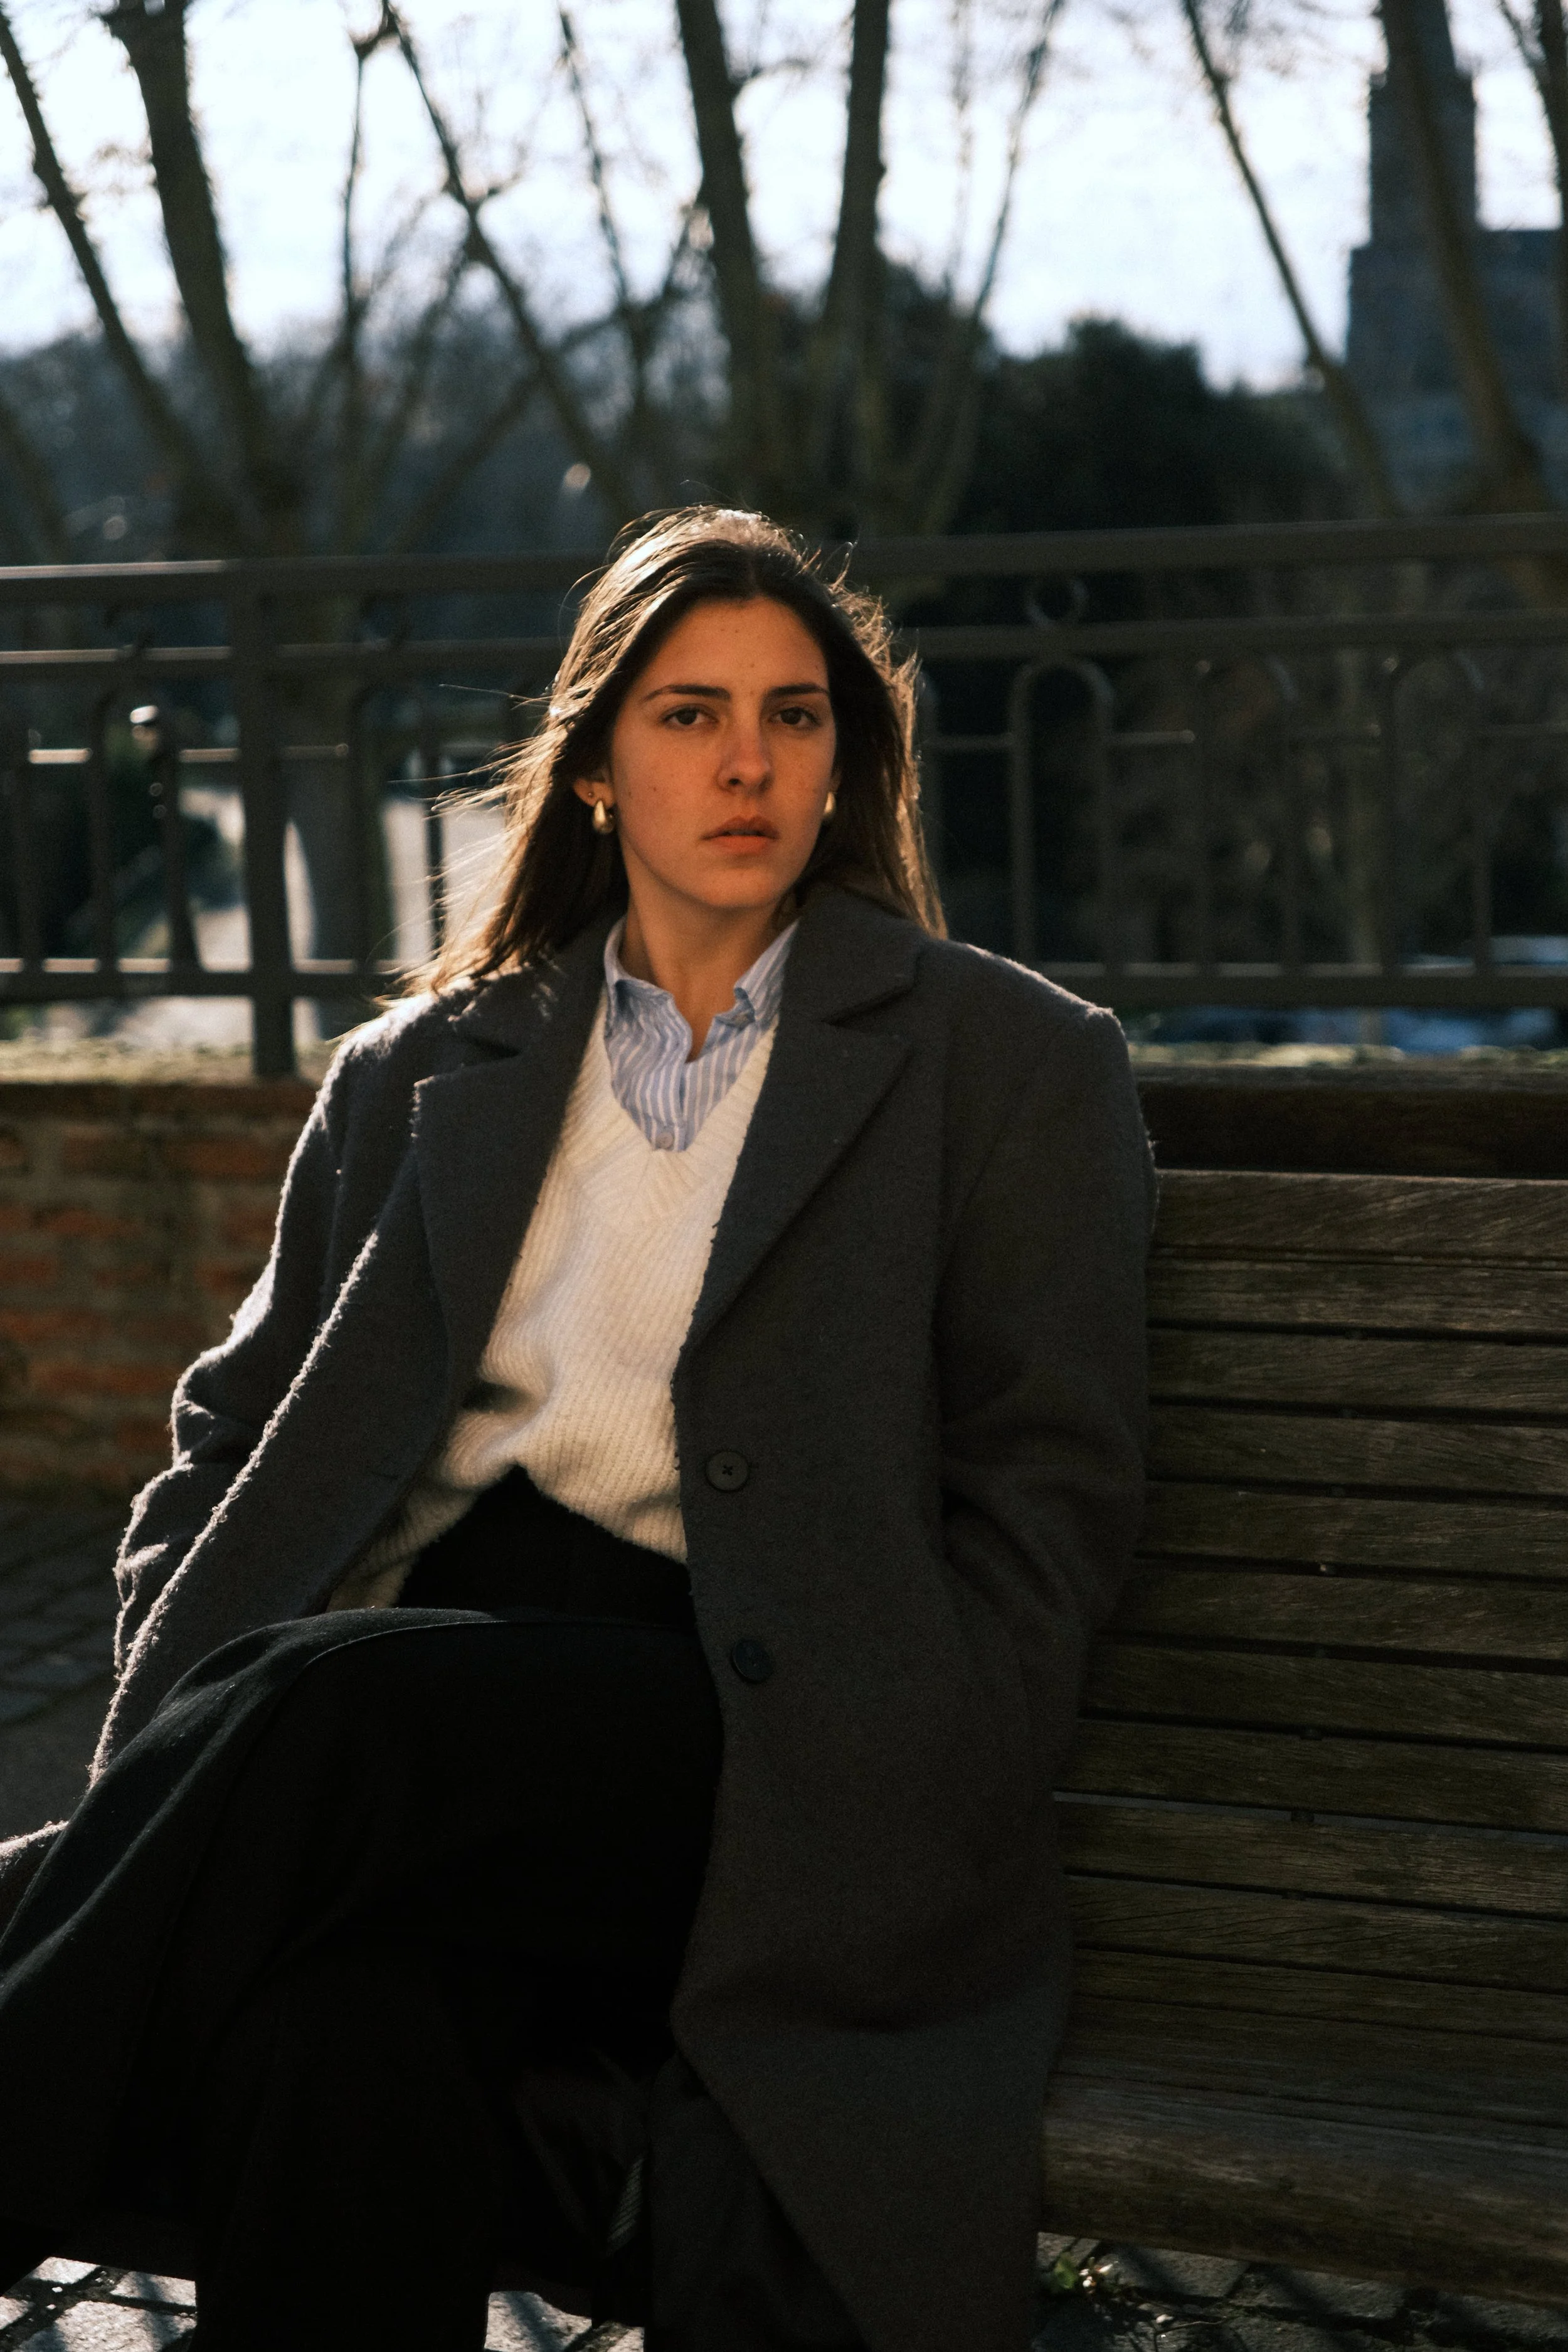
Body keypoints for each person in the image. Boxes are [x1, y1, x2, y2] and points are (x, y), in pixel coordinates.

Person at [0, 507, 1155, 2352]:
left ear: (846, 759)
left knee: (322, 1704)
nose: (748, 761)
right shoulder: (421, 1071)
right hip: (413, 1715)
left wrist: (930, 1744)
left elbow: (1054, 1493)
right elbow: (228, 1434)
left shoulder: (1002, 1063)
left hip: (748, 1713)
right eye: (690, 712)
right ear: (599, 763)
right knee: (336, 2038)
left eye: (793, 715)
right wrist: (181, 1613)